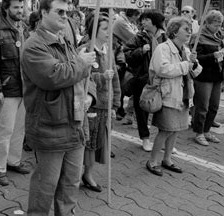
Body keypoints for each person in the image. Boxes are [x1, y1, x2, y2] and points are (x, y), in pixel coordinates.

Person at [21, 0, 96, 216]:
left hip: (74, 120)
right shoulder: (34, 45)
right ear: (43, 13)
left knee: (71, 177)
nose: (66, 16)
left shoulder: (66, 40)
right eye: (60, 12)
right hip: (50, 122)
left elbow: (82, 76)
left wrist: (90, 97)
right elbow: (53, 76)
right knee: (47, 179)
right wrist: (82, 63)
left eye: (68, 12)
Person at [0, 0, 30, 186]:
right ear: (6, 8)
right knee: (5, 130)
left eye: (22, 7)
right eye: (16, 7)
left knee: (19, 129)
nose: (20, 11)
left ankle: (13, 161)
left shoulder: (23, 29)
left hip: (24, 88)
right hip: (7, 88)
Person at [146, 17, 202, 176]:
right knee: (165, 130)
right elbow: (163, 70)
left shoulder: (186, 49)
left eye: (190, 30)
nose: (189, 33)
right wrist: (186, 65)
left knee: (176, 130)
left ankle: (167, 159)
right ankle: (152, 161)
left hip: (184, 96)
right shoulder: (163, 48)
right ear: (174, 31)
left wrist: (195, 64)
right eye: (186, 29)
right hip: (168, 95)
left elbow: (196, 72)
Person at [81, 14, 121, 192]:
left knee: (98, 141)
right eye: (104, 28)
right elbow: (81, 77)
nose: (108, 32)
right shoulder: (85, 50)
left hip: (105, 104)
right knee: (87, 142)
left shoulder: (109, 49)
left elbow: (116, 79)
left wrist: (115, 104)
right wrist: (101, 77)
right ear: (94, 29)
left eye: (109, 28)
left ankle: (88, 173)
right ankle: (79, 174)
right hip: (90, 105)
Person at [123, 10, 167, 151]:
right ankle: (145, 138)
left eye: (146, 19)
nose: (143, 22)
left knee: (163, 109)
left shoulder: (165, 38)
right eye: (142, 19)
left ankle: (164, 140)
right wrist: (141, 50)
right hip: (142, 78)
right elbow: (126, 53)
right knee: (141, 109)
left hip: (162, 78)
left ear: (155, 21)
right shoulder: (139, 37)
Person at [191, 10, 224, 145]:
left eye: (220, 24)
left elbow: (222, 55)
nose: (218, 27)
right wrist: (212, 56)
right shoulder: (198, 37)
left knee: (214, 106)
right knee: (203, 106)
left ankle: (207, 131)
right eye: (215, 24)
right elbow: (196, 59)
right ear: (206, 23)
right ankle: (199, 132)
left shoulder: (219, 36)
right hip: (204, 76)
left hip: (217, 75)